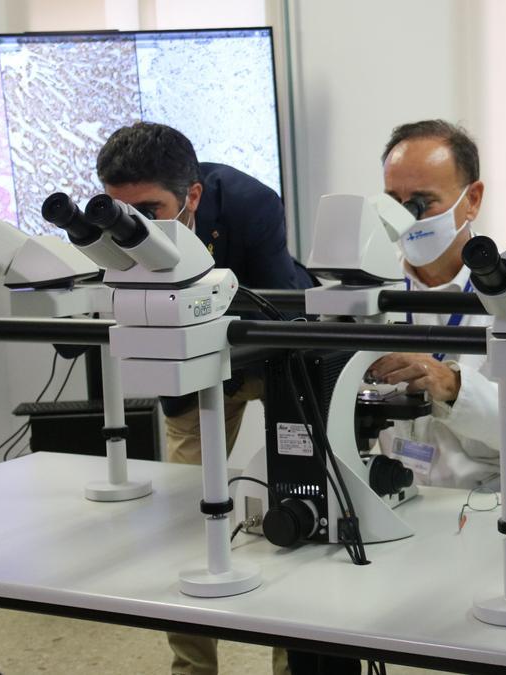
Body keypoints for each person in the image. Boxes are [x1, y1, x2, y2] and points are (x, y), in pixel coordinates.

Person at [96, 122, 312, 675]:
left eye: (150, 208)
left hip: (273, 351)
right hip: (188, 362)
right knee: (187, 516)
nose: (134, 227)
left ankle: (296, 660)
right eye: (122, 212)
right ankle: (192, 667)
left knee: (299, 499)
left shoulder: (251, 205)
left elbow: (277, 315)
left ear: (192, 196)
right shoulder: (119, 227)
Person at [368, 119, 506, 498]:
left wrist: (455, 387)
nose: (406, 219)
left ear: (473, 200)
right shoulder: (373, 294)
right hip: (402, 497)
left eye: (422, 202)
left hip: (502, 497)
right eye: (394, 204)